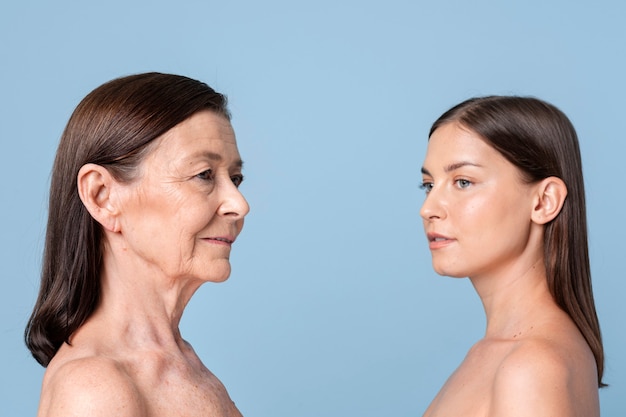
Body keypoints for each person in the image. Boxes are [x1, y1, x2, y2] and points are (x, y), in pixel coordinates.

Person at [25, 72, 249, 417]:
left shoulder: (186, 368)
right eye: (204, 174)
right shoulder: (93, 389)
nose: (239, 204)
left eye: (234, 179)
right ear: (102, 195)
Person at [419, 96, 604, 416]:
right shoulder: (499, 353)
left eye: (463, 182)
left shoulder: (530, 367)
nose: (429, 209)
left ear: (544, 201)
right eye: (429, 185)